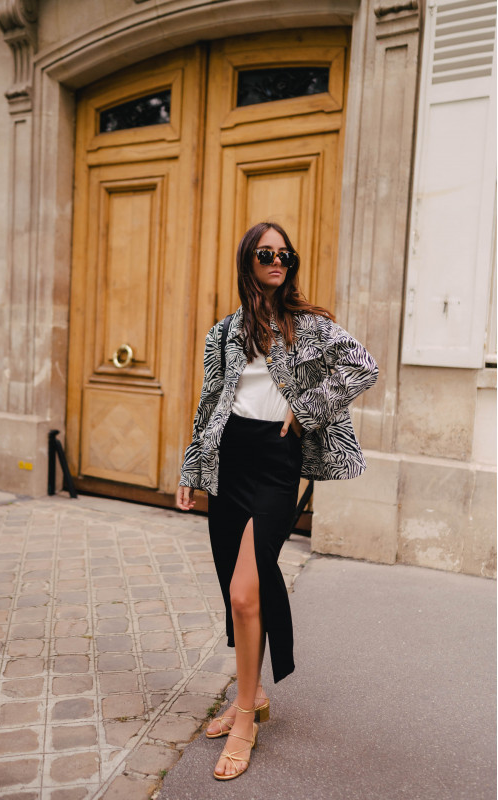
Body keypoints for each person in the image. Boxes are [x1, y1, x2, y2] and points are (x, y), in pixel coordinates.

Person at [176, 221, 378, 781]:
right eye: (266, 254)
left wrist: (307, 406)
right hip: (228, 458)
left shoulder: (309, 325)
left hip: (275, 462)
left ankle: (245, 718)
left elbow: (363, 366)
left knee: (247, 591)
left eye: (284, 255)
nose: (276, 262)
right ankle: (253, 693)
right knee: (237, 591)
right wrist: (192, 466)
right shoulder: (224, 332)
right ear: (248, 261)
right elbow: (208, 401)